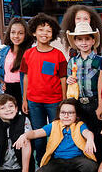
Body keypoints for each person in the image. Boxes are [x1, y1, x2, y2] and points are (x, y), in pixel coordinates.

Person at [15, 98, 98, 172]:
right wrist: (24, 135)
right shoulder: (54, 125)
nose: (66, 116)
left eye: (70, 113)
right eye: (63, 113)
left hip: (77, 160)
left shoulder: (79, 125)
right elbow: (35, 133)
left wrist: (90, 140)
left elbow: (87, 133)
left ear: (77, 115)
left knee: (91, 166)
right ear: (59, 114)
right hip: (58, 162)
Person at [21, 13, 67, 163]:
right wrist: (24, 100)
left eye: (48, 30)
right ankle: (41, 162)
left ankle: (56, 161)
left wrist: (64, 99)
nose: (44, 33)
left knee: (56, 133)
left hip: (55, 100)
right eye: (41, 29)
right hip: (34, 101)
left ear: (53, 34)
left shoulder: (59, 55)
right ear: (34, 32)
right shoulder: (28, 54)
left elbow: (63, 78)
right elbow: (25, 77)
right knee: (38, 135)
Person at [64, 22, 102, 158]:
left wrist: (100, 105)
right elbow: (70, 83)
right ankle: (85, 165)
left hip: (94, 102)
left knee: (97, 134)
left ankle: (98, 164)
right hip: (78, 103)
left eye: (87, 39)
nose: (84, 42)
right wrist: (70, 80)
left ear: (93, 41)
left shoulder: (99, 60)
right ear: (75, 42)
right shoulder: (72, 62)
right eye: (80, 39)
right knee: (80, 134)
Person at [0, 17, 33, 106]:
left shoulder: (30, 53)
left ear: (25, 35)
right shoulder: (2, 52)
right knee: (10, 117)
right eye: (13, 32)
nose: (16, 36)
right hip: (8, 90)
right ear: (9, 33)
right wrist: (3, 82)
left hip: (24, 90)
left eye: (20, 33)